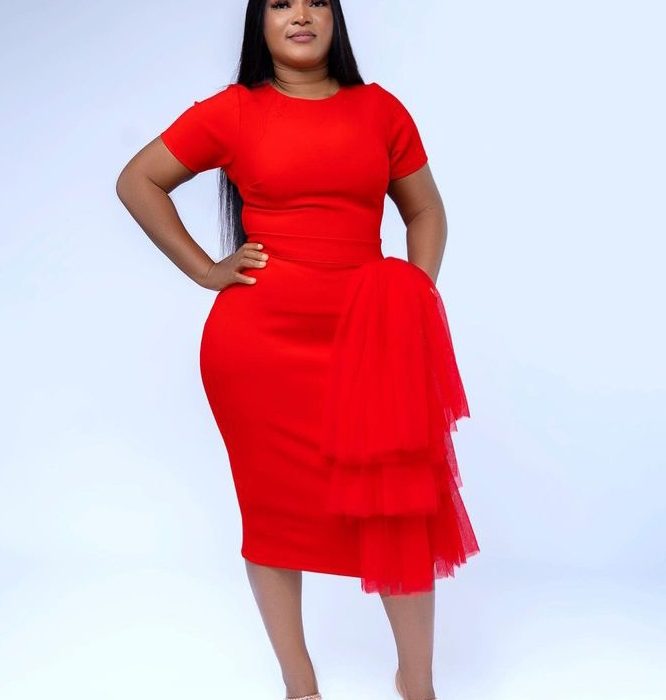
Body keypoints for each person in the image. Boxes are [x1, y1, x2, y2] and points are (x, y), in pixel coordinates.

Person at [116, 1, 480, 699]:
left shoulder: (380, 110)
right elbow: (138, 180)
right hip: (259, 350)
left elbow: (425, 209)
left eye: (316, 0)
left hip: (367, 343)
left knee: (397, 509)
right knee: (272, 515)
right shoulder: (233, 111)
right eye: (281, 3)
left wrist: (413, 294)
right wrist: (205, 269)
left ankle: (418, 684)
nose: (301, 15)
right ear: (260, 22)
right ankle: (300, 685)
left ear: (336, 18)